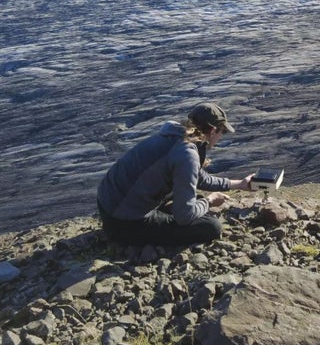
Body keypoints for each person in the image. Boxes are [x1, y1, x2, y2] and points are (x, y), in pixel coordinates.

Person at [97, 102, 254, 246]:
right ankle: (128, 237)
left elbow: (198, 177)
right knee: (211, 227)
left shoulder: (175, 136)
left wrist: (239, 184)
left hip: (108, 205)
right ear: (213, 131)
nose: (221, 137)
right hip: (123, 222)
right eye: (222, 132)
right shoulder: (187, 153)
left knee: (192, 197)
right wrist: (210, 201)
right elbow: (185, 216)